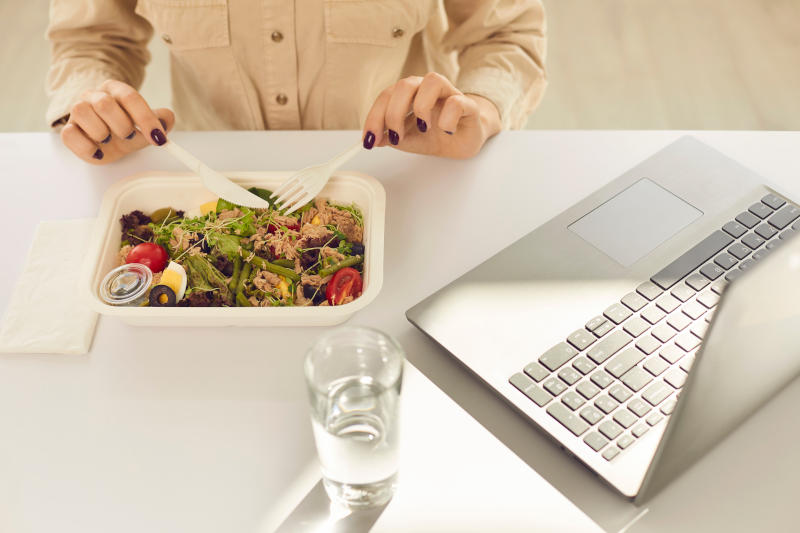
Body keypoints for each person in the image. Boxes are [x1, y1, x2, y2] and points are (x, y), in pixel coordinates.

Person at [46, 0, 546, 164]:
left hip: (403, 174)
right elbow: (90, 41)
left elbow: (506, 31)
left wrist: (480, 107)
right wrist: (91, 110)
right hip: (210, 181)